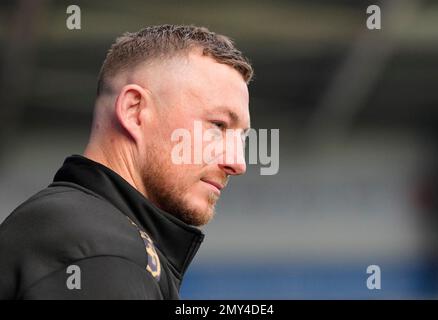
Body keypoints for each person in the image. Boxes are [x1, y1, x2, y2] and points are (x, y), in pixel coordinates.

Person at [0, 24, 253, 299]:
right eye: (218, 125)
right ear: (134, 110)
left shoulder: (99, 240)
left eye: (242, 137)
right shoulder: (101, 251)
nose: (237, 163)